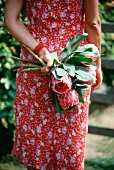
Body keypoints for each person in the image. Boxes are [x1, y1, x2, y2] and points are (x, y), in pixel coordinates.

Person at [4, 0, 102, 170]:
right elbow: (92, 24)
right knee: (69, 145)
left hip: (36, 64)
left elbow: (11, 19)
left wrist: (42, 51)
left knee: (38, 150)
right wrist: (96, 66)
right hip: (74, 67)